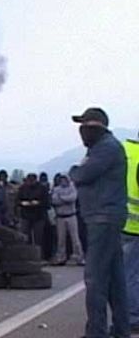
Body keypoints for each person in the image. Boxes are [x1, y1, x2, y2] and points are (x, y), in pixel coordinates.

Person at [69, 107, 129, 338]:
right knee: (115, 280)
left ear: (95, 127)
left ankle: (96, 332)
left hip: (102, 219)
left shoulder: (105, 148)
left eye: (84, 126)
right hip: (105, 218)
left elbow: (83, 175)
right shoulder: (104, 147)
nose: (81, 131)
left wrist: (75, 170)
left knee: (95, 279)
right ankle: (121, 330)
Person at [122, 130, 139, 333]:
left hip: (120, 222)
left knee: (127, 274)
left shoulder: (123, 150)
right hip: (134, 227)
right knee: (131, 275)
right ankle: (133, 317)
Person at [50, 175, 84, 266]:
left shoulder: (72, 188)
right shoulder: (56, 189)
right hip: (60, 217)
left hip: (71, 216)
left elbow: (72, 198)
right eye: (61, 180)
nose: (63, 181)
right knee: (61, 239)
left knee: (75, 238)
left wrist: (61, 198)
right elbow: (54, 200)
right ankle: (61, 257)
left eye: (65, 179)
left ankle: (79, 257)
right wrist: (65, 199)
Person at [16, 173, 50, 252]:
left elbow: (47, 203)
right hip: (25, 215)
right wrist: (23, 203)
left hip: (39, 215)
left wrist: (38, 203)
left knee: (39, 237)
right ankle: (27, 254)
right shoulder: (22, 188)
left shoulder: (42, 188)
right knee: (25, 237)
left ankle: (39, 254)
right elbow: (17, 201)